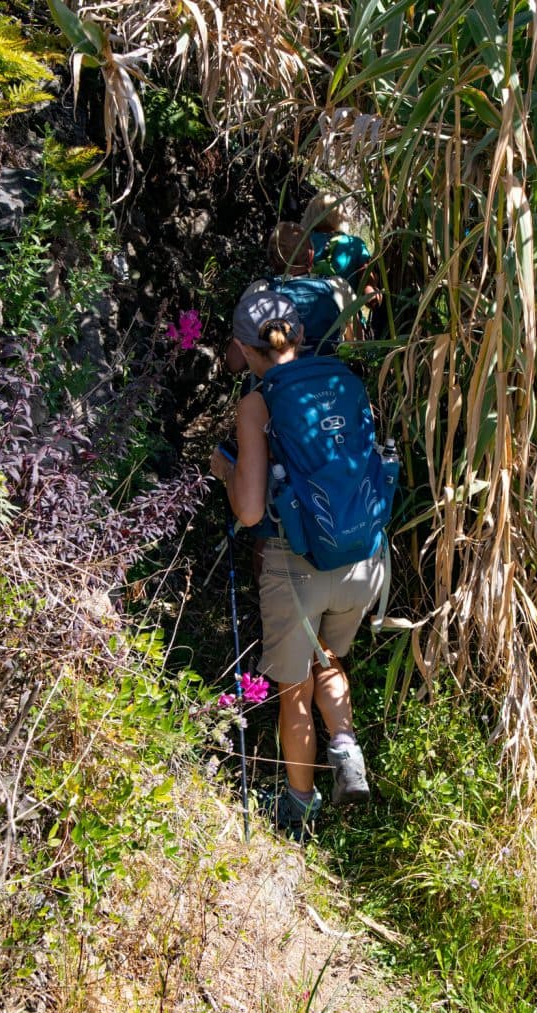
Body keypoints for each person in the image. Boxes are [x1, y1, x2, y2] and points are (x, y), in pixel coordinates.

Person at [211, 291, 385, 840]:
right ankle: (346, 747)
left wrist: (225, 471)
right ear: (302, 335)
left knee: (294, 690)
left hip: (296, 565)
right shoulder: (345, 380)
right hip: (363, 557)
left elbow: (250, 509)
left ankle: (298, 806)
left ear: (245, 349)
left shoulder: (257, 404)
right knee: (326, 655)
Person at [226, 221, 357, 375]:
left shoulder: (259, 290)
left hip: (277, 384)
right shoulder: (338, 286)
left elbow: (235, 363)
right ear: (311, 254)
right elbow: (356, 347)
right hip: (330, 381)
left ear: (272, 259)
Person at [300, 191, 382, 318]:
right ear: (341, 215)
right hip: (345, 322)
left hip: (304, 320)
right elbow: (369, 295)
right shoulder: (355, 245)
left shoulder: (299, 244)